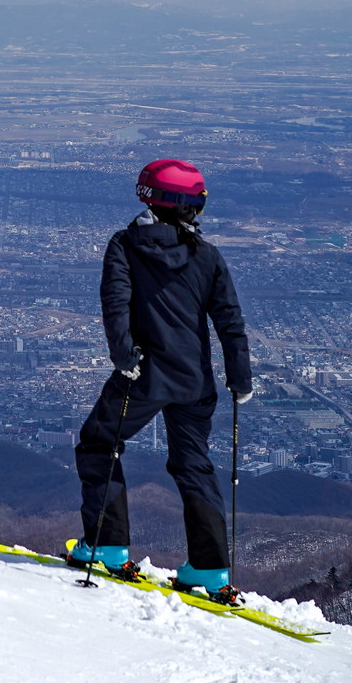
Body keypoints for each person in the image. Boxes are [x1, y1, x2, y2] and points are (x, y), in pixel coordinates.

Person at [68, 158, 252, 602]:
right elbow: (229, 318)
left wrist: (123, 355)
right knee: (193, 465)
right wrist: (239, 377)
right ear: (189, 206)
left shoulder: (125, 245)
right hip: (195, 382)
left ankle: (107, 547)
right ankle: (209, 571)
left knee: (99, 443)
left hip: (143, 376)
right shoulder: (207, 256)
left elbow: (115, 305)